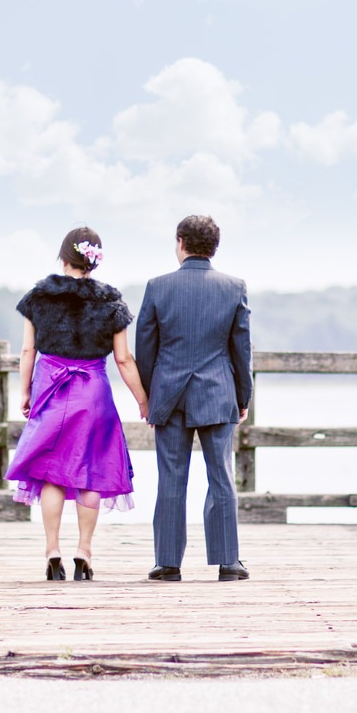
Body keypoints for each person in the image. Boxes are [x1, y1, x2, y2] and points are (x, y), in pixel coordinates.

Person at [5, 227, 150, 581]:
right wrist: (143, 400)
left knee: (51, 473)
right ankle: (83, 552)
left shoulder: (39, 297)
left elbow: (28, 350)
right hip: (93, 391)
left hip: (50, 387)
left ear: (64, 257)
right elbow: (124, 359)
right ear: (94, 260)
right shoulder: (111, 301)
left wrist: (24, 392)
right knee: (91, 472)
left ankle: (52, 549)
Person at [135, 214, 252, 582]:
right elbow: (241, 350)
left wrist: (151, 395)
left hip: (168, 392)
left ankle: (167, 563)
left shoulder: (157, 286)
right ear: (213, 247)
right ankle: (228, 562)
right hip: (218, 391)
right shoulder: (234, 287)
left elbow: (145, 348)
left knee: (171, 477)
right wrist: (243, 396)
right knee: (221, 475)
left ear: (181, 242)